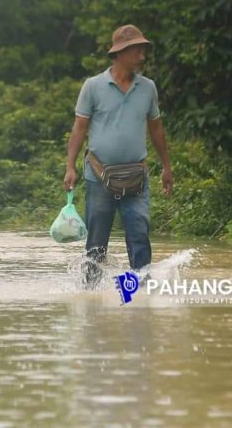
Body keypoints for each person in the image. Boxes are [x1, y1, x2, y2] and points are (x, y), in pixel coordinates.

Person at [63, 24, 173, 287]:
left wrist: (167, 167)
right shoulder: (93, 86)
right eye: (137, 51)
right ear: (120, 52)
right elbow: (79, 128)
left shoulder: (148, 88)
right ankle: (90, 296)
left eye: (143, 51)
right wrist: (70, 167)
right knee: (96, 243)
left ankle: (139, 292)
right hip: (98, 175)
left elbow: (156, 128)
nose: (142, 56)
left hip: (136, 176)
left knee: (139, 237)